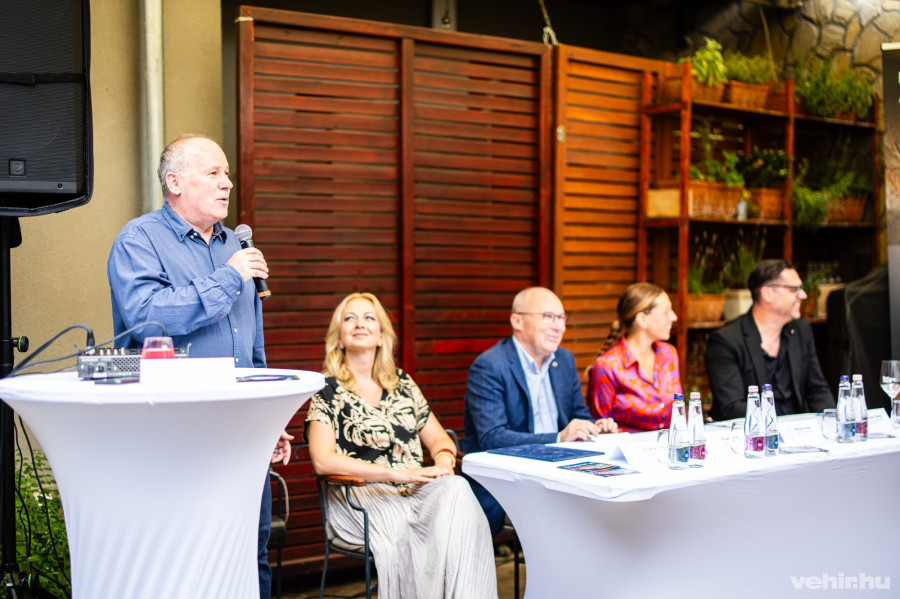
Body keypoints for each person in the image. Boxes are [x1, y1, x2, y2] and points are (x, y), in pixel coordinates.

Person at [107, 134, 291, 599]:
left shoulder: (235, 246)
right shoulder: (140, 239)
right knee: (185, 559)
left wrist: (269, 418)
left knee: (249, 554)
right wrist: (229, 276)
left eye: (227, 174)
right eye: (213, 173)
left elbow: (252, 348)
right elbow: (149, 317)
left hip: (243, 433)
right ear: (175, 182)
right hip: (176, 435)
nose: (227, 183)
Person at [305, 292, 497, 599]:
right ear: (339, 338)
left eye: (369, 318)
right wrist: (397, 475)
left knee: (456, 488)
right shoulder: (326, 390)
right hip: (362, 498)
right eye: (350, 318)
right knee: (427, 526)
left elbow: (439, 439)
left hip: (415, 492)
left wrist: (443, 463)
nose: (360, 324)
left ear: (381, 336)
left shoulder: (402, 384)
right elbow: (323, 461)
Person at [462, 286, 617, 536]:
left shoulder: (564, 360)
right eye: (548, 317)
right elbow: (492, 437)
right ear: (517, 321)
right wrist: (558, 438)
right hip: (511, 476)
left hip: (562, 471)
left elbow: (578, 414)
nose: (559, 326)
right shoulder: (490, 365)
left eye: (562, 318)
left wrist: (594, 427)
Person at [705, 259, 835, 420]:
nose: (803, 295)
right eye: (794, 289)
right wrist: (782, 426)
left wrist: (832, 422)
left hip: (797, 430)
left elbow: (818, 390)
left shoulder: (801, 330)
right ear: (768, 293)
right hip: (752, 432)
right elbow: (732, 408)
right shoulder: (726, 340)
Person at [586, 283, 681, 432]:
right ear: (642, 319)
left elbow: (678, 413)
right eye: (666, 311)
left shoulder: (668, 354)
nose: (674, 317)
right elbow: (599, 426)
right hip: (626, 446)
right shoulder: (607, 366)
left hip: (671, 443)